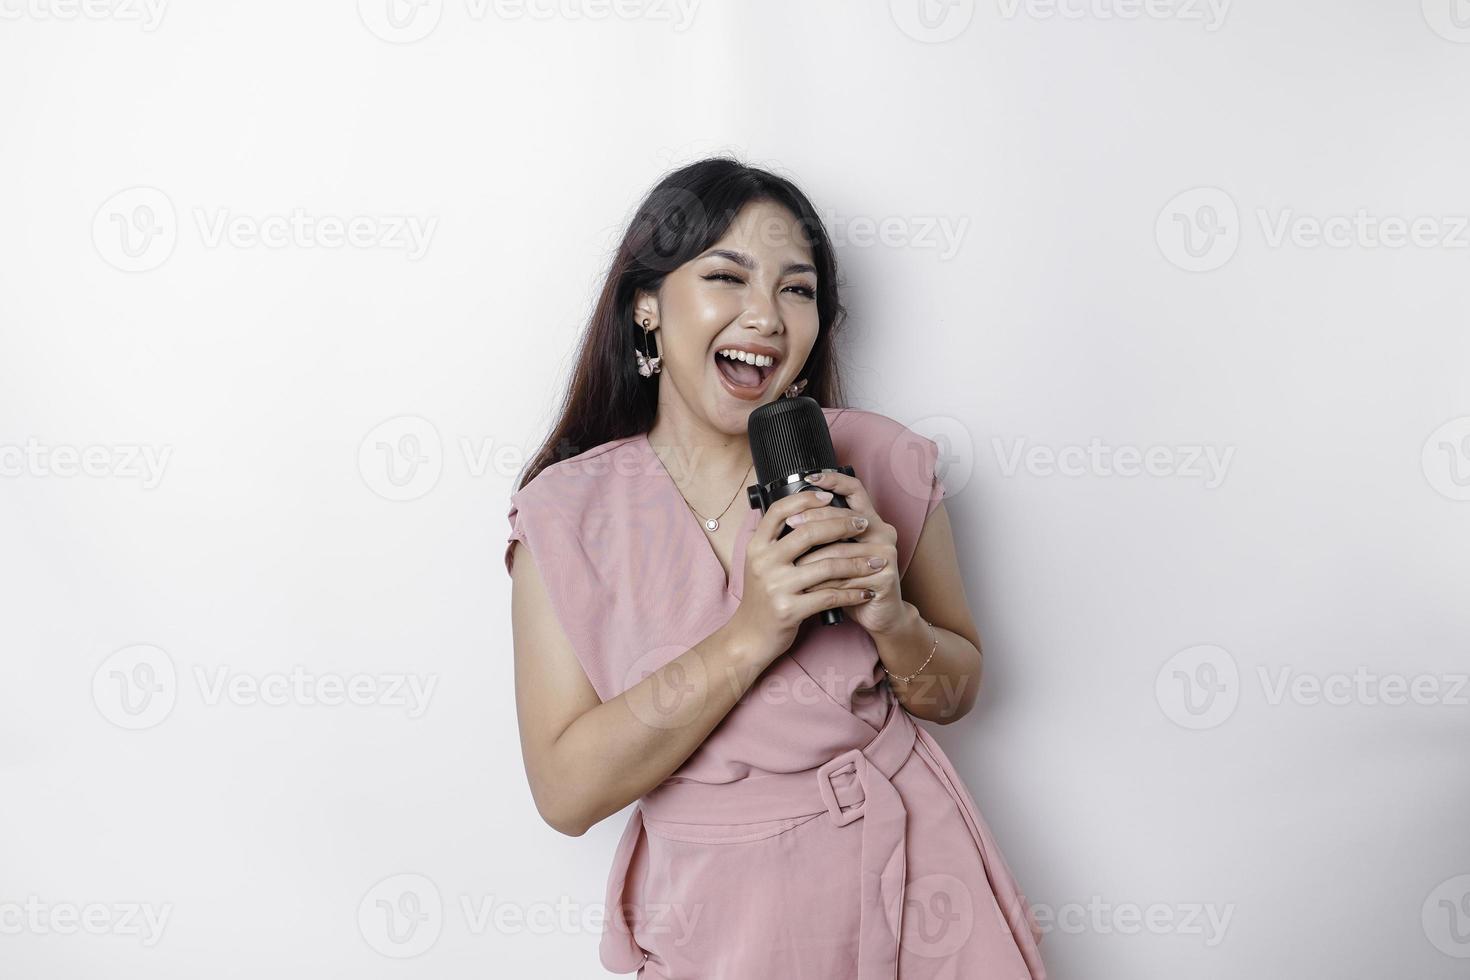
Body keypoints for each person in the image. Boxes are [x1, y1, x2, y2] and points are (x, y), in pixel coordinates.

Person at [504, 157, 1047, 978]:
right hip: (720, 925)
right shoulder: (564, 513)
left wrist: (892, 616)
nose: (766, 316)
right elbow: (565, 793)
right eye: (728, 277)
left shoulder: (879, 459)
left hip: (918, 888)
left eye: (797, 290)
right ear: (645, 303)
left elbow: (957, 692)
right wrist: (753, 631)